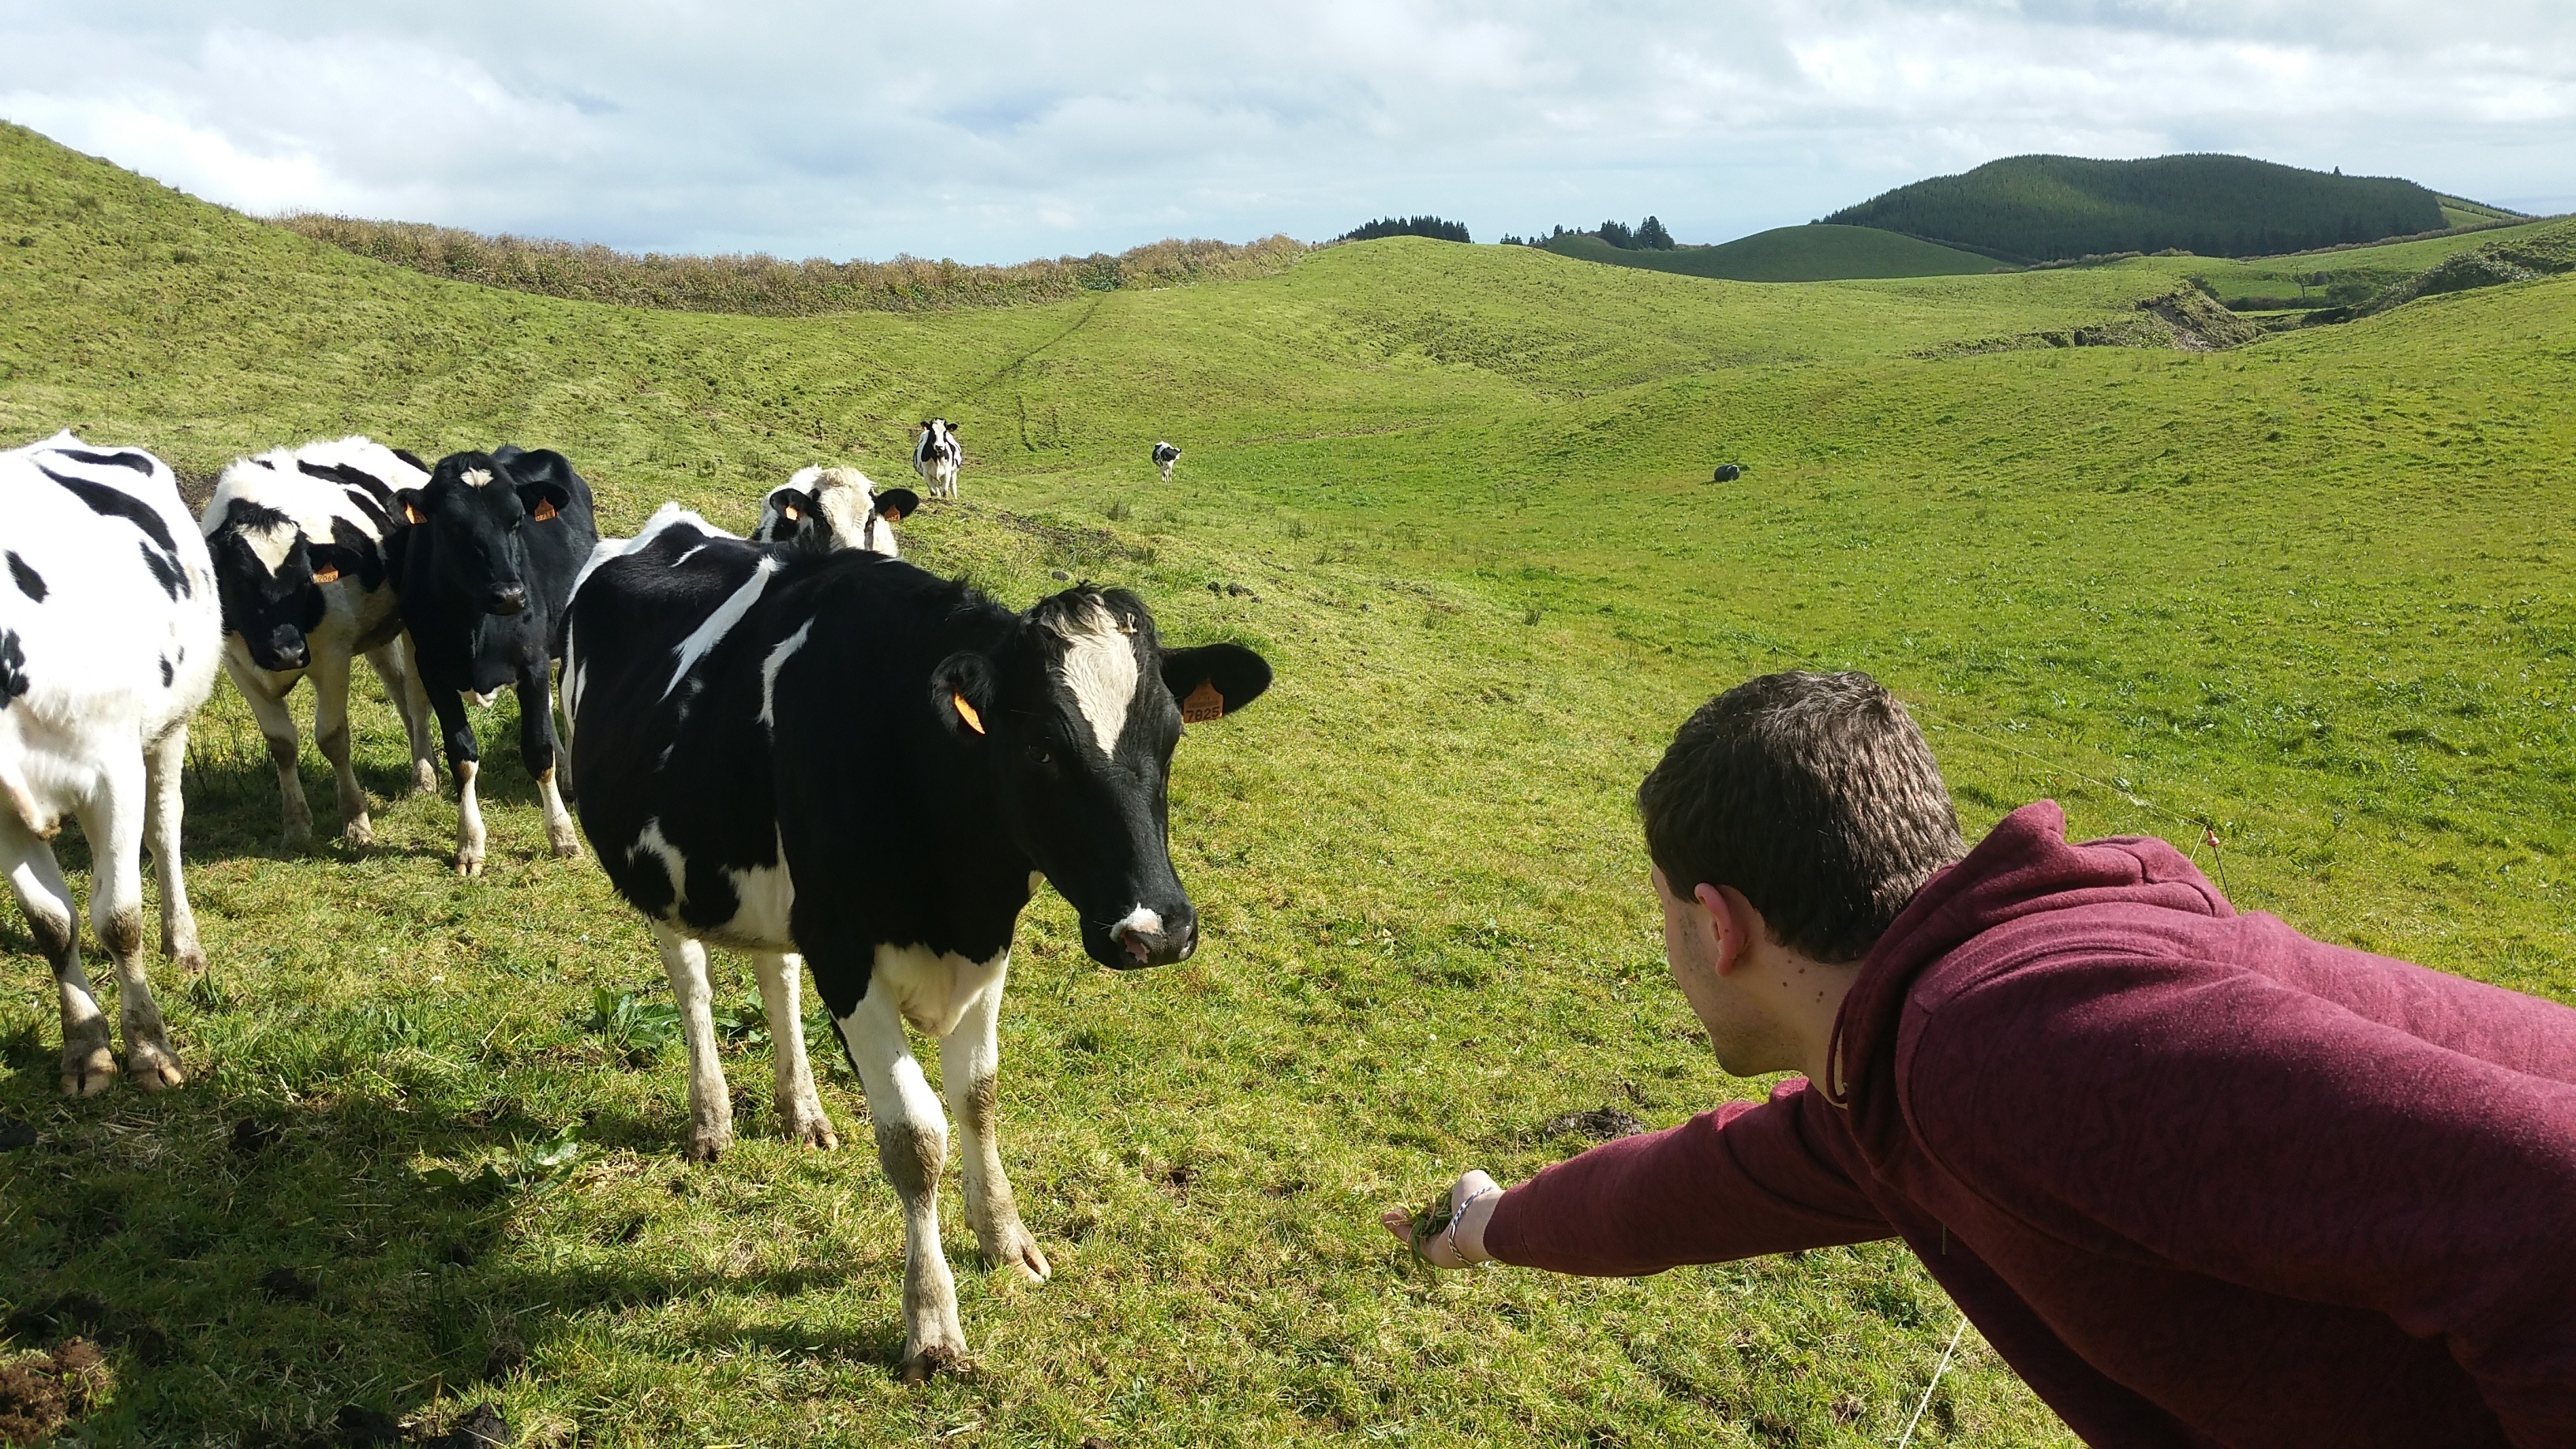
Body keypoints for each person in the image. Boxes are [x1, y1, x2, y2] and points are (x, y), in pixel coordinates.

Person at [1381, 670, 2576, 1447]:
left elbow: (2552, 1221)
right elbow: (1680, 1193)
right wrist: (1482, 1224)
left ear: (1719, 923)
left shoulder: (2001, 1046)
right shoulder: (1904, 1071)